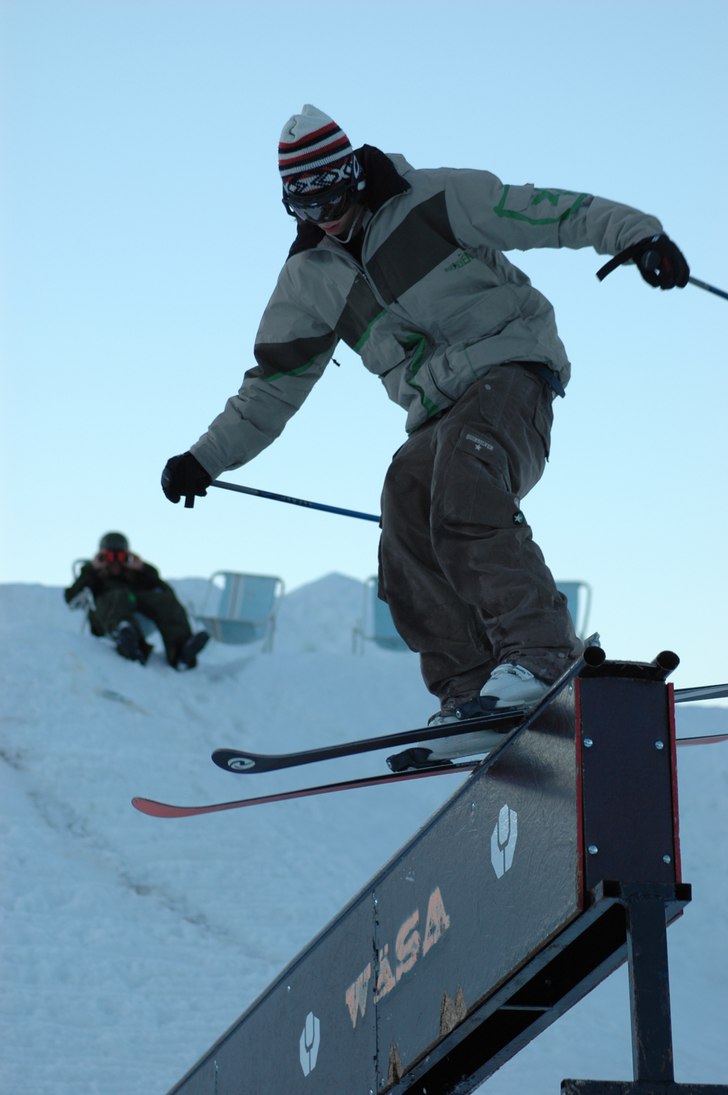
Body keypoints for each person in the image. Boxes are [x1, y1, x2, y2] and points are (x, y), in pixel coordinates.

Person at [161, 104, 689, 764]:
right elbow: (272, 387)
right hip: (436, 412)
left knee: (464, 486)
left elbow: (548, 210)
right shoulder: (309, 281)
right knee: (405, 510)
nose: (321, 212)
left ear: (353, 174)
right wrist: (205, 459)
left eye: (329, 191)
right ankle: (471, 691)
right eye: (302, 202)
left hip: (510, 367)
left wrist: (637, 236)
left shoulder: (435, 199)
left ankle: (542, 653)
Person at [64, 532, 209, 669]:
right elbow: (71, 598)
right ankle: (131, 644)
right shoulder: (93, 575)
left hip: (133, 604)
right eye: (108, 556)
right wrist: (91, 570)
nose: (115, 561)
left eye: (120, 556)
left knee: (164, 601)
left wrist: (143, 570)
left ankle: (181, 652)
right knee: (120, 596)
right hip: (106, 615)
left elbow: (166, 592)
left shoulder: (135, 575)